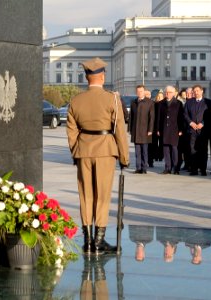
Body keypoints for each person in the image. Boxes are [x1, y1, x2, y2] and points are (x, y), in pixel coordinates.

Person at [67, 57, 129, 255]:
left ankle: (87, 242)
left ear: (87, 77)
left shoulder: (76, 100)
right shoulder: (112, 99)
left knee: (86, 195)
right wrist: (124, 157)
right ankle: (99, 241)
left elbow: (71, 130)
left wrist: (76, 151)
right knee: (102, 196)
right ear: (102, 76)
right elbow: (119, 129)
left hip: (83, 151)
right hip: (105, 151)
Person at [184, 85, 211, 176]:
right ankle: (194, 169)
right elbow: (185, 114)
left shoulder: (207, 102)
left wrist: (202, 123)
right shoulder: (189, 102)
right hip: (192, 130)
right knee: (192, 150)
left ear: (202, 91)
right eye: (194, 91)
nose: (196, 92)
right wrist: (191, 123)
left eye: (197, 91)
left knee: (203, 151)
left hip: (203, 131)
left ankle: (203, 170)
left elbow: (209, 115)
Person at [157, 85, 184, 174]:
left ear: (173, 93)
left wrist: (181, 129)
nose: (167, 94)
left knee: (174, 149)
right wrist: (157, 129)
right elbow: (158, 118)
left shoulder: (178, 103)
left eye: (170, 92)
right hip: (164, 129)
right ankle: (167, 167)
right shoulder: (161, 103)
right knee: (166, 150)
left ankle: (176, 168)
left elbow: (180, 118)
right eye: (166, 92)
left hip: (174, 130)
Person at [129, 85, 155, 174]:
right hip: (136, 130)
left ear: (144, 92)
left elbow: (152, 117)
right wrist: (130, 129)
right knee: (137, 151)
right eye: (138, 91)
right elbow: (131, 117)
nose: (139, 93)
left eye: (141, 91)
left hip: (145, 130)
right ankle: (138, 167)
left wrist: (150, 129)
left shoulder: (149, 102)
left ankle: (144, 168)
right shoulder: (134, 102)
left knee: (144, 151)